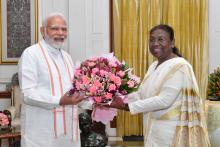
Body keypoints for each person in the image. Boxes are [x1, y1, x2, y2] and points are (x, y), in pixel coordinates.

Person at [109, 24, 210, 147]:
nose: (155, 43)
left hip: (170, 133)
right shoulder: (154, 66)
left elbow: (164, 100)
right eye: (152, 40)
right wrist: (113, 98)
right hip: (153, 130)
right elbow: (142, 93)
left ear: (172, 43)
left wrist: (127, 106)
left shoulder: (180, 66)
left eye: (161, 39)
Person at [18, 13, 92, 147]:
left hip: (70, 133)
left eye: (64, 29)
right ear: (43, 30)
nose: (60, 33)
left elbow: (73, 92)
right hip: (42, 133)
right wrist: (59, 100)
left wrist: (96, 102)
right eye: (54, 28)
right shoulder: (31, 54)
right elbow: (27, 94)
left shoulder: (67, 57)